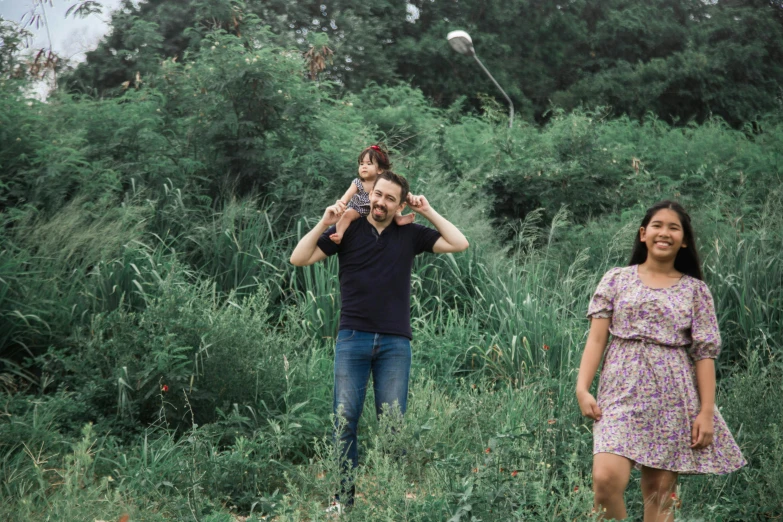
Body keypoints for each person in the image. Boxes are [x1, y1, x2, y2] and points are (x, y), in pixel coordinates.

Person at [290, 170, 469, 510]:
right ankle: (343, 500)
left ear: (401, 205)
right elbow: (298, 258)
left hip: (394, 343)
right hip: (352, 337)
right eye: (378, 195)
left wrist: (428, 211)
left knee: (392, 425)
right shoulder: (348, 229)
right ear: (370, 195)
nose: (381, 202)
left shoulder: (411, 235)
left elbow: (459, 243)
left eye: (390, 198)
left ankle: (391, 501)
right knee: (344, 420)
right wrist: (323, 223)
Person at [575, 200, 745, 522]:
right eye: (657, 225)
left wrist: (706, 412)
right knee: (605, 480)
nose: (664, 233)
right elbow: (597, 338)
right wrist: (582, 388)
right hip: (620, 392)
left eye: (673, 227)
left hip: (672, 397)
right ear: (643, 234)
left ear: (684, 241)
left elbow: (704, 354)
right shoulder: (616, 279)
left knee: (659, 493)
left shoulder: (696, 291)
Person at [329, 145, 414, 245]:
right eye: (361, 164)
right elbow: (347, 195)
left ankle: (399, 219)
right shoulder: (358, 182)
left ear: (380, 170)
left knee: (393, 203)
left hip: (376, 208)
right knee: (347, 215)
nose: (364, 166)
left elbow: (399, 191)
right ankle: (339, 234)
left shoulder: (383, 183)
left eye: (369, 164)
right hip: (358, 208)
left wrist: (410, 196)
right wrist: (341, 204)